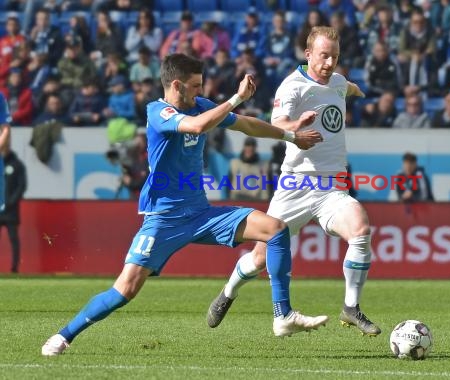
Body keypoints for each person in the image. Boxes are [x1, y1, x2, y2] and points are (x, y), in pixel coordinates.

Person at [41, 53, 326, 356]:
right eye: (195, 86)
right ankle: (63, 336)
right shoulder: (157, 112)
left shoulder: (199, 105)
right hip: (164, 219)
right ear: (176, 85)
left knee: (276, 229)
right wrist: (236, 98)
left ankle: (283, 315)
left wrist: (291, 135)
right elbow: (196, 127)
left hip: (201, 213)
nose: (200, 92)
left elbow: (246, 126)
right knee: (124, 290)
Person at [207, 27, 382, 337]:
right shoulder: (292, 87)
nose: (329, 63)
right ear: (308, 54)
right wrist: (296, 125)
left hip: (332, 187)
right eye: (324, 56)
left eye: (335, 57)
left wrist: (358, 91)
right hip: (295, 186)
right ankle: (228, 292)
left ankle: (351, 308)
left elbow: (347, 87)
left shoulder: (338, 82)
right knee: (260, 258)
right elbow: (277, 124)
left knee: (361, 230)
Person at [0, 141, 26, 273]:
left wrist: (11, 201)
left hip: (10, 211)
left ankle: (14, 268)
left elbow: (22, 186)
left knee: (13, 239)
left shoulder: (17, 165)